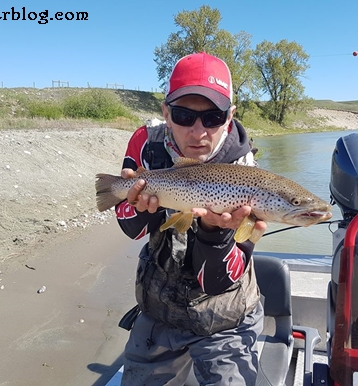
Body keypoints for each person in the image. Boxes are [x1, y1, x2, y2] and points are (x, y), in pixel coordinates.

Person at [115, 52, 267, 386]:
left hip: (227, 318)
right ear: (166, 112)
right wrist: (140, 209)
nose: (198, 132)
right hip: (160, 309)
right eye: (184, 115)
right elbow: (128, 226)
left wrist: (215, 233)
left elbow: (217, 281)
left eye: (212, 117)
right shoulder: (147, 145)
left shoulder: (246, 175)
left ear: (229, 117)